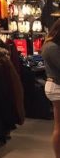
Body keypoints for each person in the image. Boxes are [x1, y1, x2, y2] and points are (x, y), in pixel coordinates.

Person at [43, 18, 60, 158]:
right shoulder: (52, 47)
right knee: (58, 126)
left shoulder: (51, 45)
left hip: (55, 85)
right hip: (56, 86)